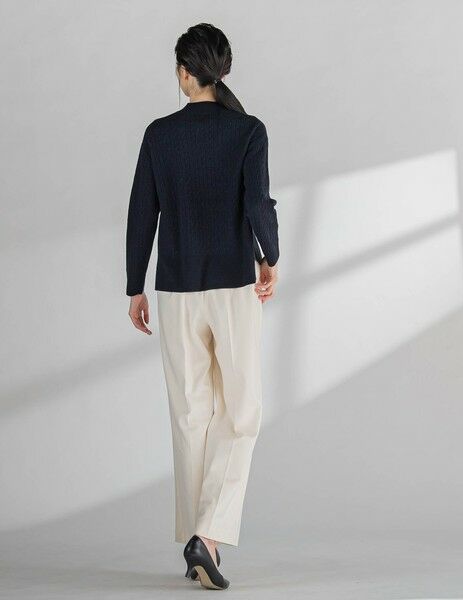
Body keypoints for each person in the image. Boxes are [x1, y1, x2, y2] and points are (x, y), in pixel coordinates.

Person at [125, 23, 279, 590]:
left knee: (191, 416)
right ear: (223, 69)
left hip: (176, 290)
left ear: (185, 72)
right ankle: (207, 537)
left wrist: (134, 286)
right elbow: (257, 202)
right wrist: (270, 257)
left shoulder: (159, 134)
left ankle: (199, 543)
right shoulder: (248, 130)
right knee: (240, 413)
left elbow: (141, 211)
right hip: (234, 287)